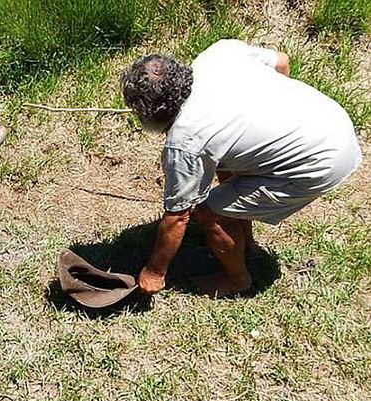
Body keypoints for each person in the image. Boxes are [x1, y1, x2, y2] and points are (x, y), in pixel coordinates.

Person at [120, 40, 362, 297]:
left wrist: (154, 271)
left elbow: (178, 217)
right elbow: (282, 61)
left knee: (209, 213)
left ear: (149, 112)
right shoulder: (218, 54)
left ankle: (237, 280)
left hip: (322, 162)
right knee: (228, 161)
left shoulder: (186, 142)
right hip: (332, 120)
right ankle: (245, 245)